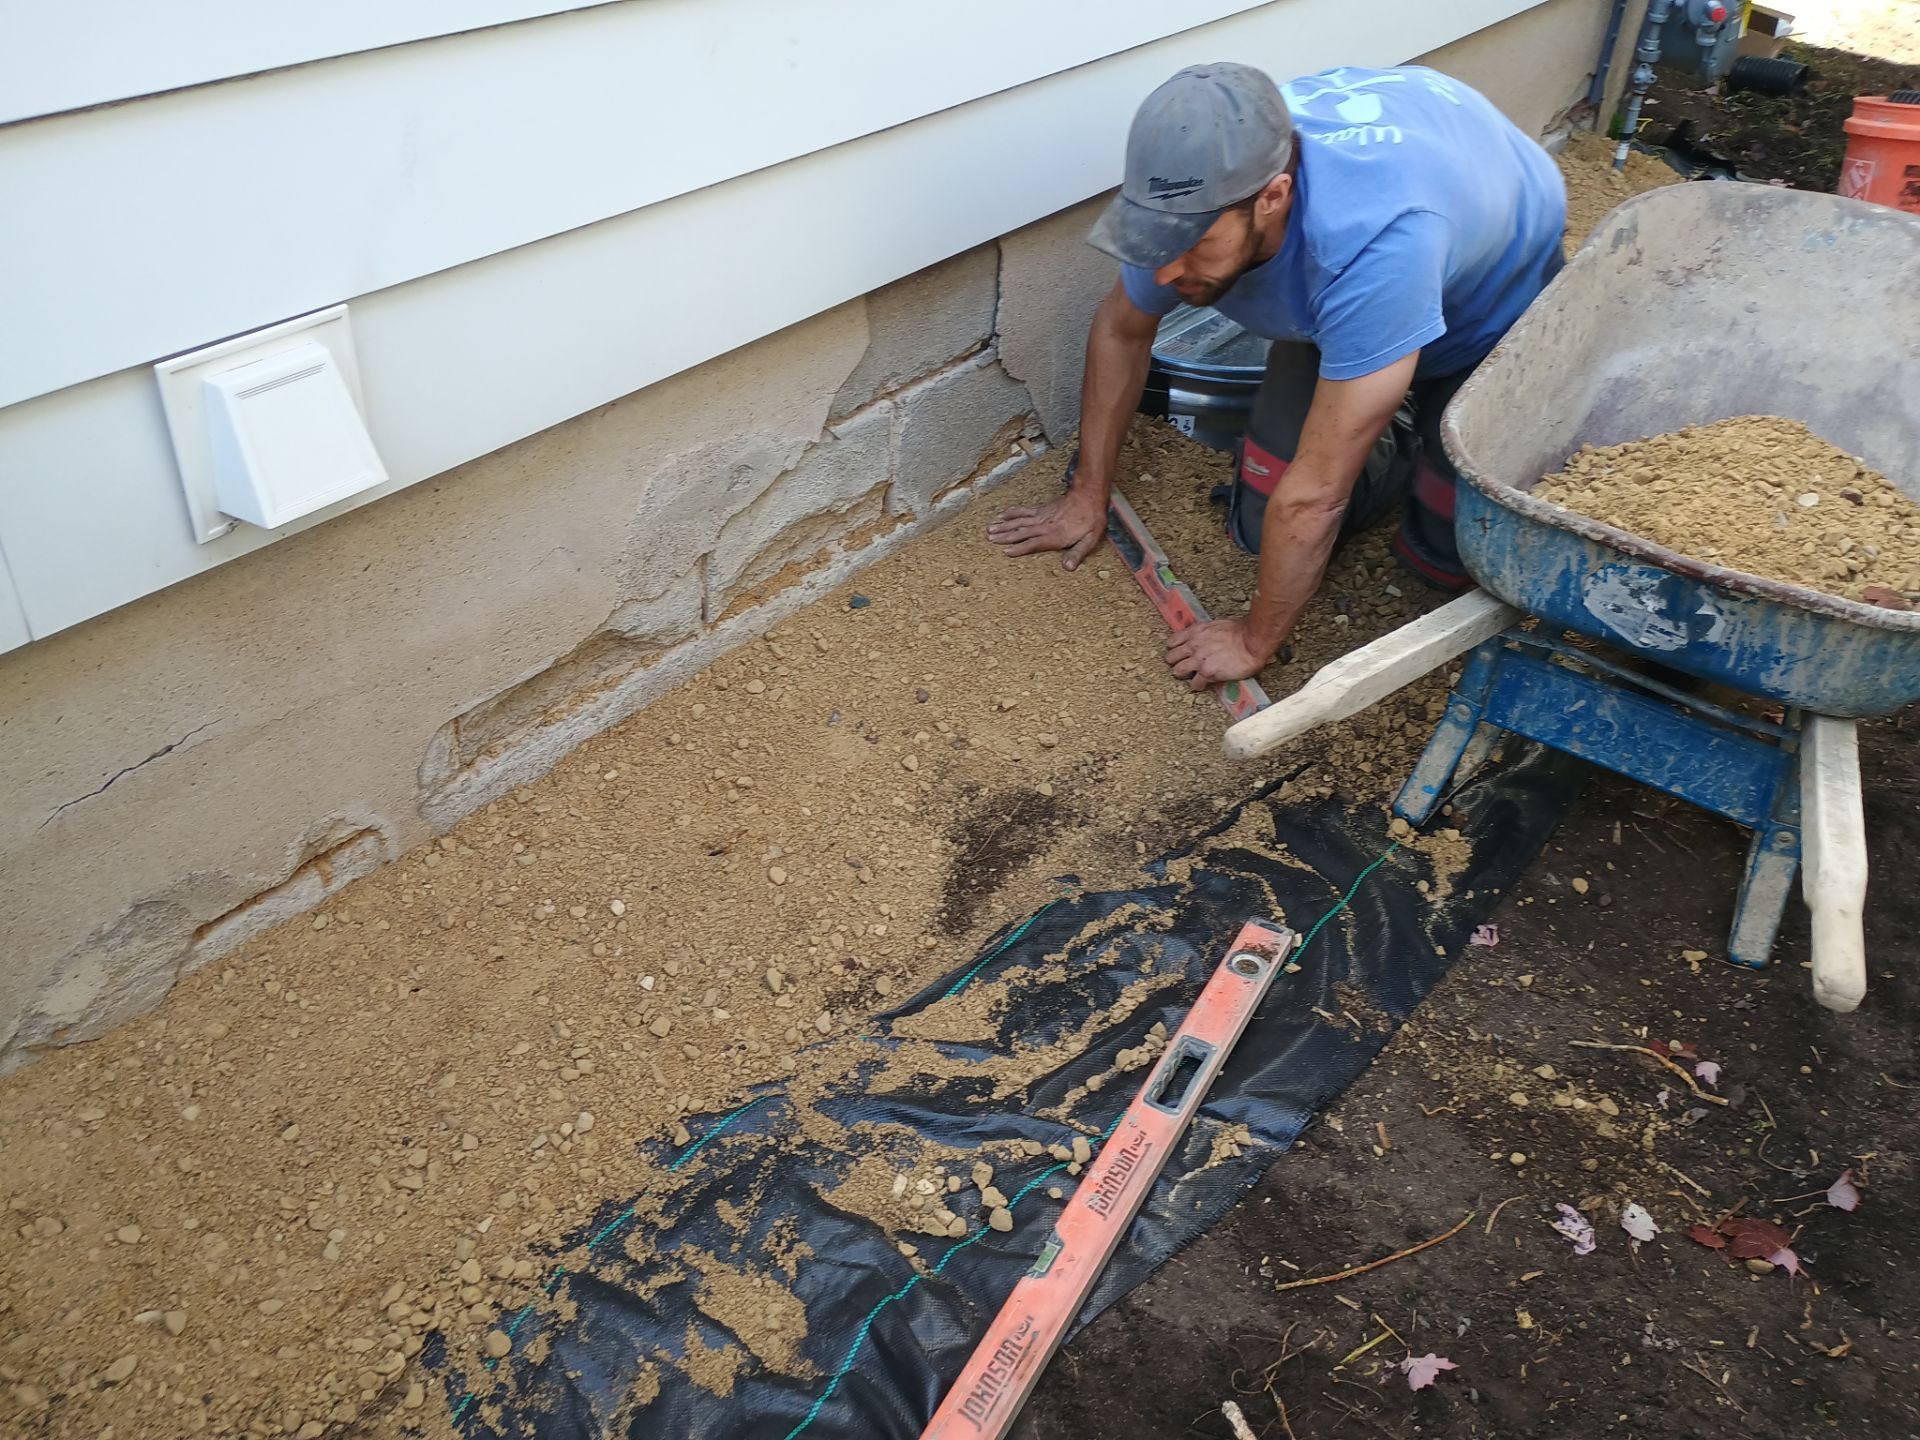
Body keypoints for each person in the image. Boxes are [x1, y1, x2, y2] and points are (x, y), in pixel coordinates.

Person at [987, 62, 1567, 689]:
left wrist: (1253, 639)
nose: (1164, 272)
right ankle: (1381, 412)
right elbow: (1122, 330)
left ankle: (1411, 424)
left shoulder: (1374, 247)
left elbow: (1316, 496)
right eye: (1158, 238)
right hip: (1361, 276)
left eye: (1191, 243)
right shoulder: (1192, 192)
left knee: (1441, 559)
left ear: (1273, 196)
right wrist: (1086, 493)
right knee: (1263, 522)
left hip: (1494, 294)